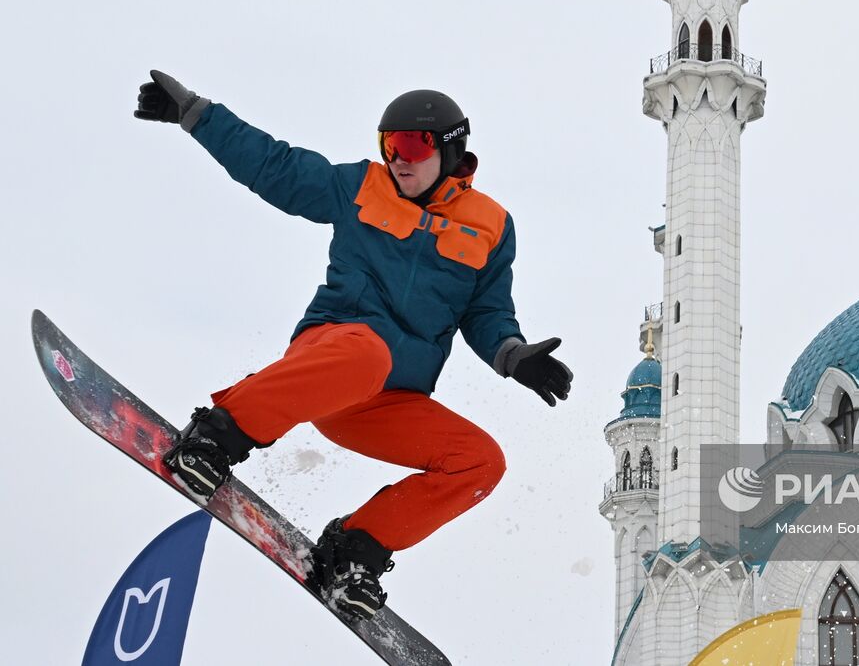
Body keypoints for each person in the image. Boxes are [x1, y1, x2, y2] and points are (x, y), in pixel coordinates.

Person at [133, 70, 572, 620]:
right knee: (368, 353)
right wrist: (196, 114)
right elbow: (276, 166)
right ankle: (217, 438)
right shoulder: (361, 186)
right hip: (335, 356)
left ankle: (355, 552)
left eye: (412, 144)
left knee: (481, 462)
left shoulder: (491, 225)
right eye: (389, 145)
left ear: (452, 147)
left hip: (387, 402)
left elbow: (486, 312)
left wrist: (512, 354)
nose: (399, 159)